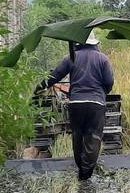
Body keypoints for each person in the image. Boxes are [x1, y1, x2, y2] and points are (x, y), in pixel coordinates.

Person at [39, 31, 114, 181]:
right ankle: (85, 174)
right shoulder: (103, 59)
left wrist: (38, 88)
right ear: (95, 43)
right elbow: (109, 82)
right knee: (92, 137)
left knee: (77, 136)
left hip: (76, 103)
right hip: (96, 104)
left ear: (79, 43)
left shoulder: (71, 58)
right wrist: (101, 94)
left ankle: (81, 168)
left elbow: (54, 76)